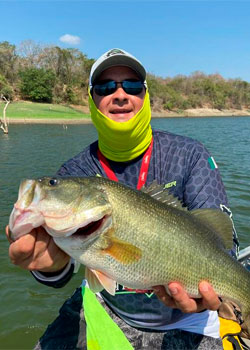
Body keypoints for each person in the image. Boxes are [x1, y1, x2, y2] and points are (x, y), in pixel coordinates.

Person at [6, 48, 240, 350]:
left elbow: (222, 238)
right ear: (92, 100)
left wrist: (220, 293)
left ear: (145, 97)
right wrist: (49, 266)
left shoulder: (189, 153)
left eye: (132, 86)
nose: (119, 95)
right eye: (105, 87)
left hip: (191, 316)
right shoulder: (76, 170)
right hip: (107, 308)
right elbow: (62, 269)